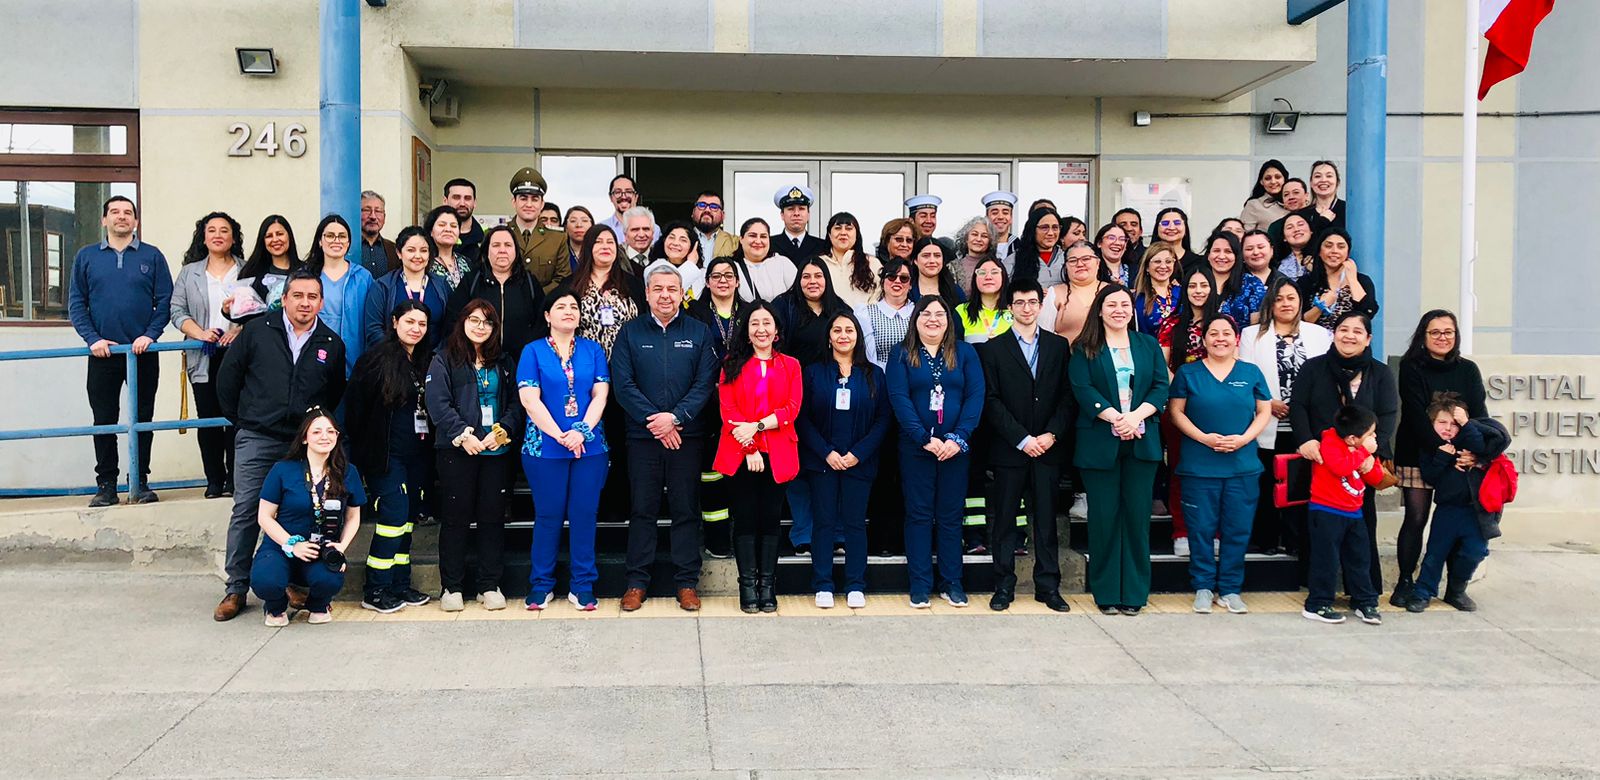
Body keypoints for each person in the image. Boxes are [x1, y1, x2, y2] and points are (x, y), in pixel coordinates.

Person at [213, 270, 347, 621]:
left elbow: (332, 394)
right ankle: (236, 588)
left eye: (312, 297)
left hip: (300, 445)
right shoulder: (257, 331)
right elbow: (228, 379)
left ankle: (292, 582)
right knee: (247, 509)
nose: (305, 303)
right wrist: (244, 420)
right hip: (257, 437)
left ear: (321, 301)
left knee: (301, 511)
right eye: (298, 296)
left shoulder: (330, 344)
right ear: (285, 298)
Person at [611, 265, 721, 611]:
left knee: (685, 509)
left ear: (681, 293)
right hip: (642, 438)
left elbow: (705, 383)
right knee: (642, 509)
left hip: (687, 436)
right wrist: (656, 422)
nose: (665, 295)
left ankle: (687, 582)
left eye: (672, 289)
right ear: (646, 293)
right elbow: (623, 384)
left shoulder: (699, 332)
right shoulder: (629, 333)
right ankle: (636, 582)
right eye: (657, 289)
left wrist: (675, 418)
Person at [1069, 285, 1168, 615]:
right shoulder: (1085, 348)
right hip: (1101, 442)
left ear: (1132, 310)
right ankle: (1107, 592)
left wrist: (1135, 417)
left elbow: (1159, 386)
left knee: (1137, 519)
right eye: (1111, 304)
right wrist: (1115, 417)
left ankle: (1135, 593)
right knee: (1104, 519)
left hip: (1142, 441)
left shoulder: (1147, 345)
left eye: (1124, 304)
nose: (1118, 310)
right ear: (1099, 310)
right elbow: (1083, 389)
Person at [68, 195, 172, 507]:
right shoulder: (87, 257)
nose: (121, 217)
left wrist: (150, 335)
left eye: (128, 212)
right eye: (115, 212)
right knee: (105, 420)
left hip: (141, 353)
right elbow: (76, 303)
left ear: (136, 221)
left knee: (143, 419)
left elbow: (164, 301)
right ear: (104, 220)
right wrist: (92, 339)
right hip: (103, 355)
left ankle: (139, 481)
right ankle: (107, 484)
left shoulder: (152, 257)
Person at [1168, 314, 1274, 614]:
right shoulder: (1189, 373)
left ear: (1236, 339)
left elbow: (1264, 410)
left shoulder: (1250, 372)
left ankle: (1230, 588)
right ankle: (1202, 585)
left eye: (1226, 333)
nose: (1220, 339)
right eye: (1213, 333)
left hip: (1242, 465)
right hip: (1199, 465)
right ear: (1204, 340)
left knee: (1237, 529)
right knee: (1200, 529)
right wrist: (1203, 438)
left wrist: (1244, 439)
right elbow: (1177, 412)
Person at [1290, 311, 1399, 600]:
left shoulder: (1380, 372)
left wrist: (1369, 449)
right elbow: (1298, 406)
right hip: (1320, 462)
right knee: (1320, 530)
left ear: (1368, 338)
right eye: (1343, 329)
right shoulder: (1313, 368)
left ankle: (1363, 592)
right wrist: (1306, 441)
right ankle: (1319, 592)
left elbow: (1388, 414)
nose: (1349, 335)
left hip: (1361, 466)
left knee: (1363, 528)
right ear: (1334, 333)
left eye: (1357, 331)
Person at [980, 279, 1072, 612]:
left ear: (1040, 304)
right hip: (1010, 450)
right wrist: (1021, 438)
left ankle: (1048, 587)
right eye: (1019, 303)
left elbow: (1066, 396)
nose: (1027, 308)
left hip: (1048, 448)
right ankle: (1003, 586)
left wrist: (1051, 435)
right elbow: (991, 400)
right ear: (1010, 308)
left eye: (1032, 302)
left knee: (1045, 521)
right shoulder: (992, 348)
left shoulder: (1058, 346)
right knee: (1004, 521)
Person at [886, 296, 985, 609]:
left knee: (951, 516)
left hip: (956, 448)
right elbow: (898, 398)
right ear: (915, 319)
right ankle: (919, 584)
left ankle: (952, 583)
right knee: (918, 514)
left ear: (948, 320)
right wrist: (922, 438)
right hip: (917, 448)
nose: (932, 319)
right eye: (925, 313)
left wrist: (958, 437)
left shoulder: (965, 353)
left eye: (939, 314)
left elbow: (975, 396)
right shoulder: (902, 354)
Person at [517, 289, 612, 611]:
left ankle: (582, 585)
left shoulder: (593, 350)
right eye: (561, 306)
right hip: (544, 447)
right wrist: (560, 435)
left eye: (574, 307)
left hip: (590, 447)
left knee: (584, 515)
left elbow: (600, 395)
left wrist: (581, 432)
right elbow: (530, 399)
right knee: (548, 516)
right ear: (547, 316)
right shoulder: (532, 351)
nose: (569, 311)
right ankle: (541, 585)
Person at [425, 298, 521, 612]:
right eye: (474, 320)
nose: (480, 327)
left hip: (496, 450)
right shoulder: (444, 358)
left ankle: (488, 585)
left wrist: (502, 430)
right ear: (463, 322)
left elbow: (517, 404)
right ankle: (451, 587)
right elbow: (438, 402)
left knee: (492, 518)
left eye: (487, 322)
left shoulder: (504, 361)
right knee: (456, 518)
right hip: (458, 450)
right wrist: (463, 435)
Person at [1391, 309, 1488, 607]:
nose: (1442, 337)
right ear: (1423, 336)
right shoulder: (1411, 367)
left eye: (1448, 332)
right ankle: (1406, 581)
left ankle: (1455, 588)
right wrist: (1440, 448)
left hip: (1462, 457)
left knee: (1457, 521)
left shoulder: (1468, 369)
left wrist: (1474, 452)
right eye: (1435, 332)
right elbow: (1417, 415)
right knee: (1416, 517)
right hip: (1419, 452)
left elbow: (1480, 412)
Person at [344, 300, 434, 613]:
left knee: (407, 521)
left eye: (422, 324)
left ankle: (399, 583)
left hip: (416, 456)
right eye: (410, 322)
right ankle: (375, 589)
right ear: (394, 322)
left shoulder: (424, 361)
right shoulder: (375, 360)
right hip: (385, 458)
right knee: (393, 517)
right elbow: (354, 411)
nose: (416, 329)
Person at [714, 302, 804, 613]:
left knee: (770, 520)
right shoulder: (732, 364)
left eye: (767, 323)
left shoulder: (791, 365)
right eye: (755, 323)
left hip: (778, 451)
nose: (761, 329)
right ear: (747, 330)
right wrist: (750, 446)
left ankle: (768, 584)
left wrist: (759, 426)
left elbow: (792, 409)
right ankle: (747, 586)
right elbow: (729, 411)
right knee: (745, 520)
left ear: (777, 331)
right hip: (740, 454)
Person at [798, 311, 890, 608]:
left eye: (849, 330)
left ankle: (855, 584)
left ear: (857, 336)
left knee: (854, 524)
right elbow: (803, 419)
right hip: (823, 461)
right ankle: (823, 583)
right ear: (828, 336)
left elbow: (883, 419)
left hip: (858, 462)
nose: (843, 335)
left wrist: (858, 454)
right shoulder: (813, 373)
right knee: (823, 522)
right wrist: (826, 452)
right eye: (836, 330)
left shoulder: (874, 374)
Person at [1239, 278, 1331, 561]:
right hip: (1268, 420)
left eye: (1291, 298)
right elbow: (1245, 376)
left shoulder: (1318, 334)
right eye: (1279, 299)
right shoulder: (1251, 334)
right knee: (1267, 482)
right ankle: (1265, 539)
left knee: (1301, 485)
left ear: (1300, 301)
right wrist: (1268, 403)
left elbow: (1326, 378)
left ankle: (1296, 542)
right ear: (1270, 303)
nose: (1286, 303)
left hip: (1307, 425)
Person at [249, 410, 364, 626]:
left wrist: (341, 547)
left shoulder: (348, 472)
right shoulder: (283, 470)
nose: (325, 436)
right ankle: (275, 607)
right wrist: (291, 544)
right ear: (304, 438)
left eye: (331, 431)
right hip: (281, 545)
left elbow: (353, 517)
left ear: (337, 436)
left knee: (330, 578)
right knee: (266, 580)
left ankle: (319, 605)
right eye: (317, 431)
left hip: (321, 548)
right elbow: (264, 516)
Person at [1404, 396, 1509, 614]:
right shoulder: (1432, 448)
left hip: (1476, 512)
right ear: (1432, 424)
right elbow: (1431, 476)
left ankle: (1457, 589)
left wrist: (1468, 427)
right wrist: (1443, 458)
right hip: (1448, 509)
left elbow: (1496, 442)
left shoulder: (1474, 443)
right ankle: (1423, 593)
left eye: (1454, 424)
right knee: (1435, 553)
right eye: (1442, 423)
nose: (1448, 428)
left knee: (1474, 552)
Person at [773, 258, 848, 555]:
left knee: (833, 463)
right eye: (806, 276)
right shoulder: (783, 305)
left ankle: (837, 533)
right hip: (791, 394)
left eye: (819, 275)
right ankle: (804, 533)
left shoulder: (839, 308)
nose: (813, 281)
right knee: (799, 468)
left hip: (832, 395)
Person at [170, 211, 244, 499]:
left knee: (236, 419)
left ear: (233, 237)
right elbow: (177, 311)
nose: (217, 235)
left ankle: (235, 480)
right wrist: (199, 333)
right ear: (204, 236)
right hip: (203, 353)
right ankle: (214, 479)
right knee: (208, 417)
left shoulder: (246, 269)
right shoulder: (190, 272)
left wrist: (237, 331)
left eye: (224, 230)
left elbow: (257, 309)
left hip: (236, 353)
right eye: (211, 230)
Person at [1300, 404, 1386, 625]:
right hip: (1327, 511)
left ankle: (1364, 601)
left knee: (1359, 558)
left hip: (1354, 511)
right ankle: (1317, 604)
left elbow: (1376, 479)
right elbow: (1340, 467)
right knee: (1326, 560)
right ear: (1351, 438)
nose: (1374, 437)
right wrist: (1364, 452)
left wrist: (1370, 461)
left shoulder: (1361, 450)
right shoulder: (1329, 442)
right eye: (1369, 434)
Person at [1157, 265, 1222, 557]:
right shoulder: (1172, 323)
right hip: (1179, 407)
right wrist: (1186, 393)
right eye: (1193, 285)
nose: (1198, 291)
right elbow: (1163, 365)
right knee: (1181, 471)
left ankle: (1214, 532)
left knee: (1215, 474)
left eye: (1204, 285)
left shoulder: (1224, 323)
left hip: (1217, 407)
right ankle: (1182, 531)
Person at [687, 256, 746, 558]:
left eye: (728, 275)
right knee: (711, 475)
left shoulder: (751, 313)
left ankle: (743, 538)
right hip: (706, 407)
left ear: (737, 281)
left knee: (742, 475)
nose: (723, 280)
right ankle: (717, 539)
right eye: (716, 275)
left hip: (746, 407)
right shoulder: (693, 314)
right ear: (707, 281)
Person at [447, 224, 548, 358]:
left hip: (521, 361)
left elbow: (542, 323)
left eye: (508, 245)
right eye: (496, 245)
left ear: (516, 251)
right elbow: (454, 319)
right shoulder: (472, 280)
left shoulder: (529, 282)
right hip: (478, 361)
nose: (502, 250)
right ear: (486, 250)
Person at [305, 214, 373, 375]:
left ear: (349, 242)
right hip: (312, 361)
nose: (336, 240)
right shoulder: (306, 276)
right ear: (320, 241)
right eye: (330, 235)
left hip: (354, 363)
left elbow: (372, 322)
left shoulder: (363, 277)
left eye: (342, 236)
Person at [363, 226, 450, 351]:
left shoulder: (442, 285)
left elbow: (452, 326)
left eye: (424, 250)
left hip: (434, 361)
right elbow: (374, 329)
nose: (418, 256)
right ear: (399, 253)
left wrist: (436, 358)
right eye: (411, 250)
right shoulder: (382, 286)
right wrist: (400, 356)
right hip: (392, 361)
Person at [566, 226, 643, 356]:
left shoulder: (633, 284)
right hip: (583, 361)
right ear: (588, 247)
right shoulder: (571, 284)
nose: (605, 246)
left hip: (626, 362)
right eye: (598, 242)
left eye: (610, 242)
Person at [508, 167, 572, 293]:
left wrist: (536, 296)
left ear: (542, 204)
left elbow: (562, 279)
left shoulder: (557, 239)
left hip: (543, 306)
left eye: (535, 199)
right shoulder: (498, 235)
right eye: (523, 198)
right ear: (514, 202)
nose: (529, 204)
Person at [230, 215, 302, 324]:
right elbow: (243, 316)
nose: (275, 239)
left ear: (289, 237)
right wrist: (227, 311)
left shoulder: (305, 271)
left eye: (280, 234)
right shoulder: (251, 272)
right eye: (269, 236)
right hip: (261, 338)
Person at [1297, 227, 1377, 325]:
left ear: (1347, 252)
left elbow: (1368, 314)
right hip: (1317, 339)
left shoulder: (1362, 280)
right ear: (1319, 251)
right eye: (1328, 246)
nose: (1334, 251)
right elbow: (1300, 322)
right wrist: (1320, 307)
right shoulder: (1306, 282)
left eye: (1341, 247)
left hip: (1350, 339)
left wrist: (1352, 280)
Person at [857, 259, 915, 369]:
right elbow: (869, 357)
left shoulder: (919, 313)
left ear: (910, 284)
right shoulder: (866, 313)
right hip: (881, 377)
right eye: (891, 277)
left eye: (904, 278)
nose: (897, 281)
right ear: (883, 281)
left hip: (914, 377)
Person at [1048, 241, 1108, 341]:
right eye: (1072, 260)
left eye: (1086, 259)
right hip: (1066, 355)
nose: (1079, 264)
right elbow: (1044, 334)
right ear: (1066, 266)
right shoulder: (1055, 293)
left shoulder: (1112, 292)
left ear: (1098, 263)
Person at [1203, 231, 1266, 327]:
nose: (1221, 256)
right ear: (1208, 255)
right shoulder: (1197, 282)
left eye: (1228, 251)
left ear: (1237, 256)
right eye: (1216, 251)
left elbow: (1257, 328)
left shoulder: (1252, 284)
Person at [820, 212, 879, 309]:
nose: (843, 233)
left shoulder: (872, 263)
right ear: (829, 234)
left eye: (849, 228)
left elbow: (879, 294)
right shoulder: (819, 263)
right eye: (838, 228)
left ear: (857, 235)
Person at [733, 217, 797, 302]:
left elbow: (798, 296)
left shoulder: (783, 263)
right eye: (752, 235)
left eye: (763, 236)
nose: (758, 241)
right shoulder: (732, 267)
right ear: (741, 239)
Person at [955, 257, 1012, 343]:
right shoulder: (962, 311)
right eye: (982, 272)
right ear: (975, 279)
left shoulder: (1015, 310)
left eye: (994, 272)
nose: (988, 277)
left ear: (1003, 277)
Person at [1006, 207, 1067, 288]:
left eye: (1055, 227)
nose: (1051, 233)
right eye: (1044, 227)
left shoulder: (1069, 259)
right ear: (1032, 230)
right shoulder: (1013, 260)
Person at [645, 220, 705, 301]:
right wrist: (691, 264)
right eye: (671, 237)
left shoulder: (702, 274)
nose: (676, 243)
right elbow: (671, 286)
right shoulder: (653, 268)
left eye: (683, 240)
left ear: (693, 246)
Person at [1132, 240, 1181, 335]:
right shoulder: (1136, 298)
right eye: (1157, 261)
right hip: (1150, 349)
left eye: (1168, 261)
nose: (1163, 266)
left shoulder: (1183, 293)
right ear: (1147, 267)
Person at [772, 185, 828, 264]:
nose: (796, 214)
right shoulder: (770, 245)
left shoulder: (823, 246)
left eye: (801, 209)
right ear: (782, 215)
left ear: (808, 214)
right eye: (790, 209)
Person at [600, 174, 659, 246]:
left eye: (628, 192)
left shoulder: (654, 229)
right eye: (618, 192)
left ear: (636, 197)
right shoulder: (601, 228)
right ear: (611, 197)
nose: (623, 196)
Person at [423, 205, 471, 292]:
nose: (448, 230)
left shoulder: (466, 263)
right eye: (442, 225)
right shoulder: (423, 262)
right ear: (431, 231)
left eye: (453, 226)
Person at [908, 236, 963, 304]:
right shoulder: (907, 290)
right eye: (926, 255)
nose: (932, 261)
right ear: (915, 260)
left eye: (937, 256)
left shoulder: (955, 291)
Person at [952, 216, 997, 298]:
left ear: (990, 241)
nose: (979, 239)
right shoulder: (952, 267)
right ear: (966, 238)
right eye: (974, 234)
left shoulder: (997, 266)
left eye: (984, 236)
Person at [1240, 159, 1290, 231]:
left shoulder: (1292, 202)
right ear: (1261, 182)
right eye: (1268, 178)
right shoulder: (1254, 205)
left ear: (1284, 179)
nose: (1273, 181)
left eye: (1277, 177)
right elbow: (1245, 235)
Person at [442, 178, 484, 264]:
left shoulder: (486, 239)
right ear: (445, 201)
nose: (462, 203)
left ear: (475, 202)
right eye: (456, 197)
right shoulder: (431, 237)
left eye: (467, 198)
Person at [358, 191, 399, 276]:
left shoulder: (394, 250)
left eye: (378, 211)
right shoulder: (348, 248)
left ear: (384, 216)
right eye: (367, 210)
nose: (373, 216)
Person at [691, 191, 738, 263]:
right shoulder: (679, 240)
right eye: (702, 205)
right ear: (693, 212)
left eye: (714, 207)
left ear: (723, 215)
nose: (707, 210)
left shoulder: (735, 243)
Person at [1151, 207, 1196, 275]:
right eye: (1165, 223)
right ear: (1157, 229)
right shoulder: (1146, 259)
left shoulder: (1198, 262)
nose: (1171, 227)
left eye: (1177, 223)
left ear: (1185, 229)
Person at [1266, 178, 1312, 245]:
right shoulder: (1276, 227)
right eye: (1286, 194)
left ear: (1306, 195)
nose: (1291, 197)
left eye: (1296, 192)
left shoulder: (1318, 217)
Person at [1305, 160, 1346, 234]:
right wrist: (1323, 221)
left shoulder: (1347, 210)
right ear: (1311, 183)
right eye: (1317, 176)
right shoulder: (1303, 215)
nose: (1323, 180)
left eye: (1329, 176)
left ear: (1338, 182)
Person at [1272, 212, 1315, 281]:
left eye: (1300, 224)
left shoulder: (1323, 255)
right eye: (1289, 227)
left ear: (1311, 230)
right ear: (1284, 237)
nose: (1296, 229)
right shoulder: (1277, 263)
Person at [983, 191, 1019, 262]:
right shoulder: (979, 246)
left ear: (1011, 218)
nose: (1000, 217)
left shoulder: (1021, 247)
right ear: (986, 217)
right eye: (995, 213)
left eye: (1005, 213)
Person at [620, 206, 657, 273]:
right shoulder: (615, 260)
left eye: (646, 229)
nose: (641, 235)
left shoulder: (660, 257)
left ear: (653, 233)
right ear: (625, 234)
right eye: (635, 230)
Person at [563, 205, 593, 272]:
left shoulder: (597, 251)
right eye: (573, 221)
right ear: (565, 227)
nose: (579, 225)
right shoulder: (560, 252)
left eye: (584, 220)